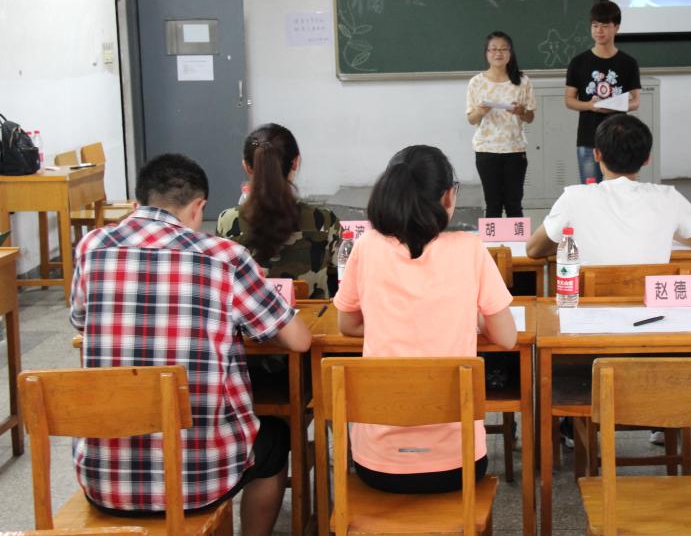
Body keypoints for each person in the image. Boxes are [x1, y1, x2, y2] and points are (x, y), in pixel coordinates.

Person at [70, 153, 312, 536]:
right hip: (200, 481)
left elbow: (80, 321)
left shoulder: (91, 248)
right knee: (275, 439)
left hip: (103, 480)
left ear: (137, 204)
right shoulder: (224, 258)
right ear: (199, 207)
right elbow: (299, 340)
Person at [335, 145, 517, 493]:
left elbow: (347, 325)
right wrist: (471, 316)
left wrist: (389, 323)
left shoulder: (366, 247)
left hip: (377, 465)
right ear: (448, 196)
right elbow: (507, 338)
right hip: (458, 463)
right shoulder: (469, 248)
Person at [526, 114, 691, 263]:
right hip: (650, 302)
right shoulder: (670, 198)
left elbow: (533, 249)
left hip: (591, 301)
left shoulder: (574, 197)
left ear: (596, 155)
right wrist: (669, 232)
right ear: (647, 159)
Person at [217, 123, 339, 298]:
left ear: (247, 166)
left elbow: (223, 279)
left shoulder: (227, 221)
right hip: (313, 315)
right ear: (295, 162)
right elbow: (341, 275)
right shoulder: (325, 221)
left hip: (252, 315)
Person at [565, 0, 641, 184]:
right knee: (591, 190)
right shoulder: (578, 62)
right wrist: (590, 105)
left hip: (619, 139)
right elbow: (569, 100)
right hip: (588, 139)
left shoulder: (628, 63)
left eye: (605, 26)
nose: (599, 31)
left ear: (616, 28)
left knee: (619, 191)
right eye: (595, 26)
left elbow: (636, 101)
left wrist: (616, 106)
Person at [466, 31, 537, 218]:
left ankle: (518, 239)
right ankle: (492, 239)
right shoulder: (476, 82)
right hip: (486, 150)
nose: (498, 53)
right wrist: (481, 111)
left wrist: (521, 111)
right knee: (493, 205)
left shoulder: (522, 81)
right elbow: (471, 119)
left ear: (510, 53)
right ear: (486, 53)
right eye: (494, 49)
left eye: (504, 49)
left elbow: (530, 117)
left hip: (514, 149)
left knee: (514, 205)